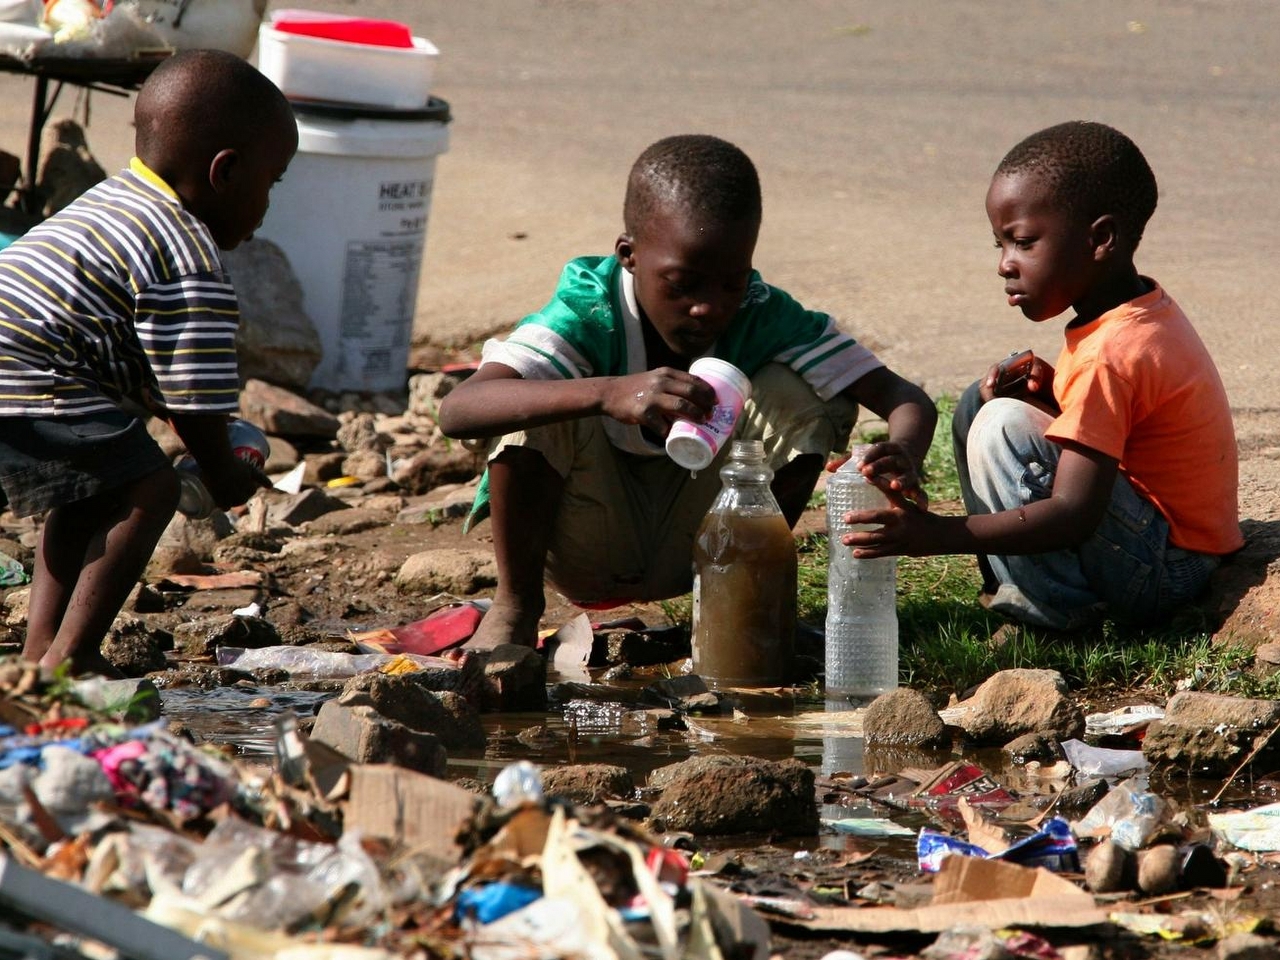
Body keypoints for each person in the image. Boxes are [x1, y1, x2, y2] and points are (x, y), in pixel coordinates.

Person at [438, 133, 936, 648]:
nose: (708, 307)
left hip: (707, 545)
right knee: (538, 398)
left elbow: (903, 397)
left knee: (805, 395)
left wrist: (903, 453)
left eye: (731, 284)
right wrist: (609, 392)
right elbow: (459, 411)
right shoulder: (589, 308)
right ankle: (515, 607)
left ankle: (743, 600)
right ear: (629, 256)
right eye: (682, 284)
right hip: (583, 543)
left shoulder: (761, 312)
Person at [842, 121, 1242, 632]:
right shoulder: (1135, 309)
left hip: (1167, 572)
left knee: (1002, 424)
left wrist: (939, 535)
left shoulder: (1111, 353)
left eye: (1024, 243)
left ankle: (1057, 614)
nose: (1006, 265)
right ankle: (1012, 584)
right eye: (1000, 246)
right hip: (1163, 545)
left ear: (1100, 239)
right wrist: (1057, 390)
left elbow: (1075, 512)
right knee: (977, 405)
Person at [0, 49, 299, 677]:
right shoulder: (188, 253)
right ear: (226, 172)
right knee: (149, 487)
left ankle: (40, 654)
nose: (270, 203)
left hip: (21, 354)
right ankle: (74, 655)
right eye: (272, 183)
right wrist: (222, 473)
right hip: (32, 367)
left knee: (88, 490)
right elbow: (195, 397)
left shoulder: (110, 199)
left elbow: (122, 347)